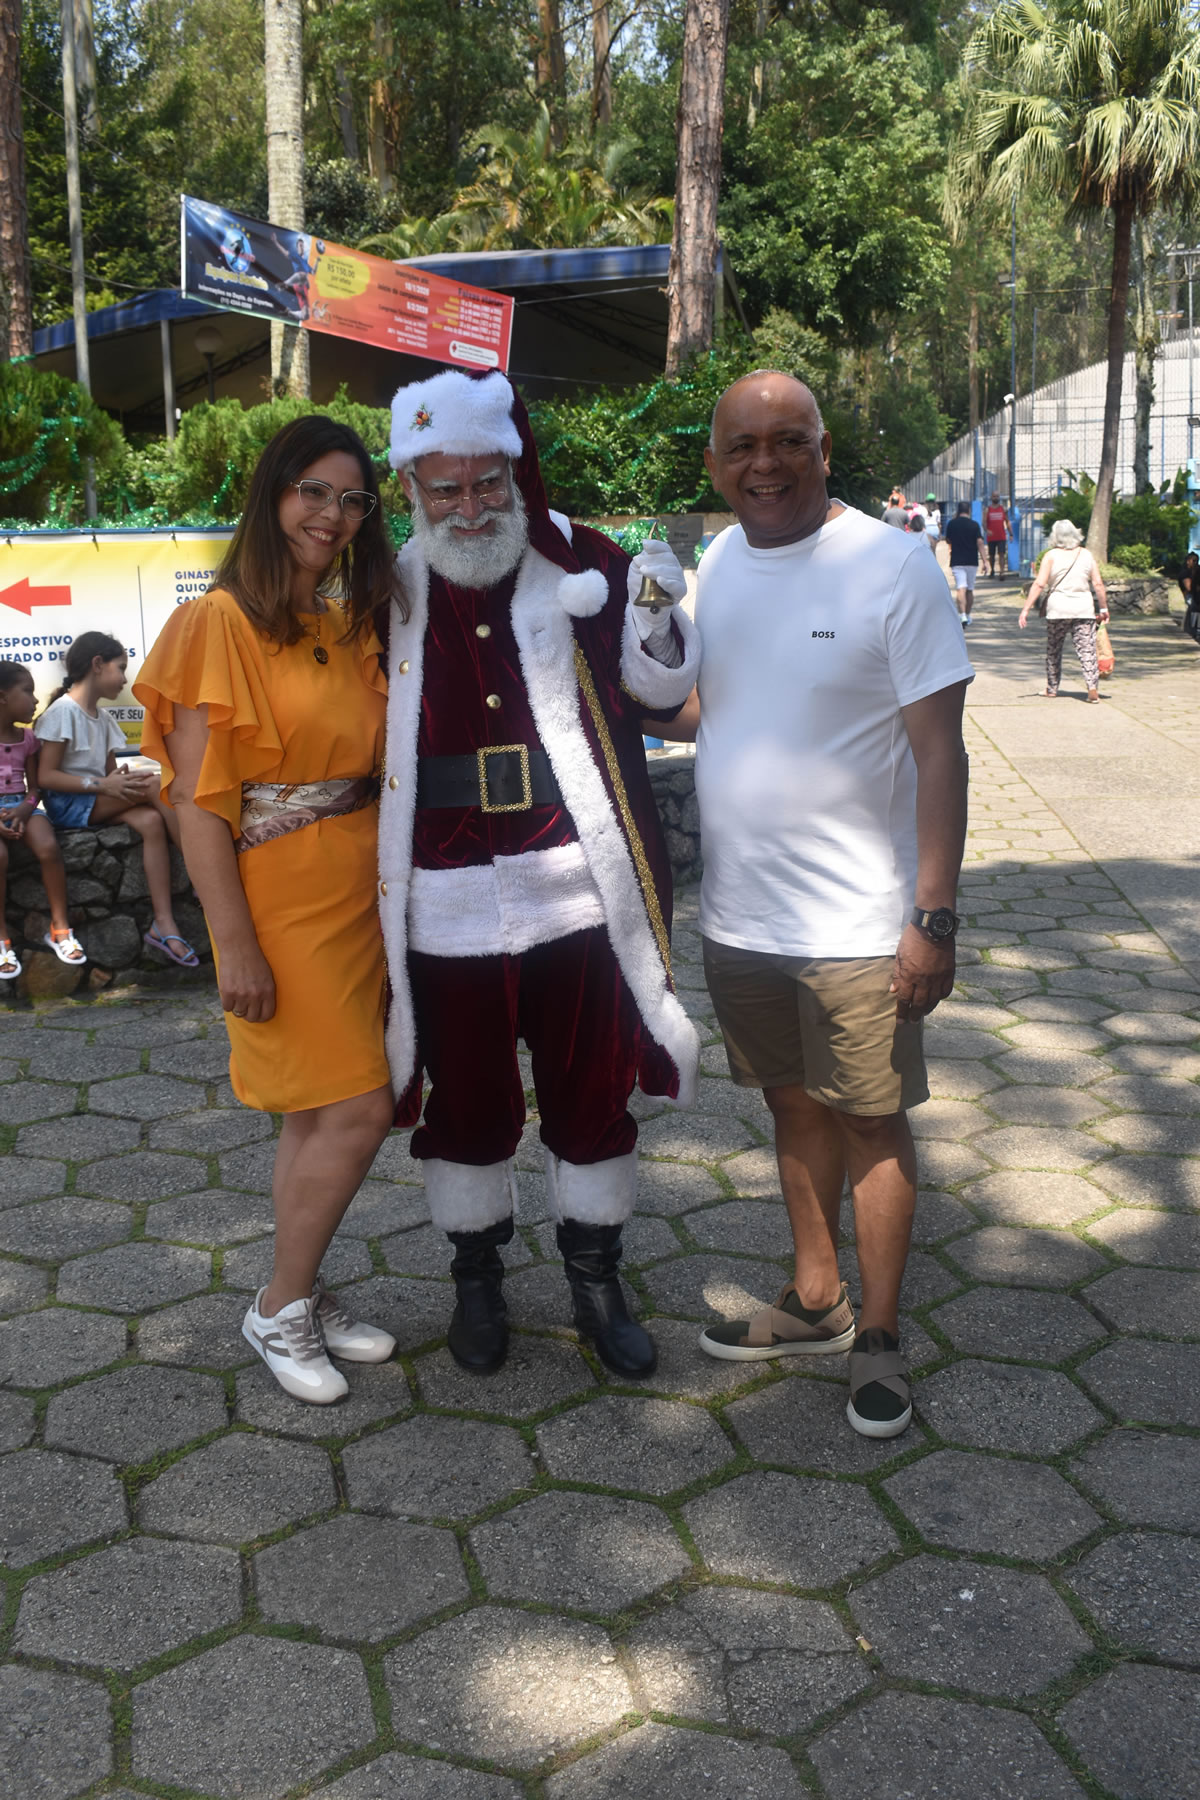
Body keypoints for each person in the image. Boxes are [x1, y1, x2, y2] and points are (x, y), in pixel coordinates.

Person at [378, 368, 700, 1380]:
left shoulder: (586, 561)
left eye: (487, 483)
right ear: (412, 490)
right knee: (468, 1105)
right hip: (444, 909)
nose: (470, 507)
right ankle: (476, 1281)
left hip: (576, 896)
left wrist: (657, 616)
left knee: (590, 1093)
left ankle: (596, 1280)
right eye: (446, 489)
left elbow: (655, 691)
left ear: (514, 472)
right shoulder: (384, 588)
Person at [688, 369, 972, 1440]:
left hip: (859, 923)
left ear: (823, 447)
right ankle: (817, 1300)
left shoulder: (893, 567)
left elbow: (940, 755)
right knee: (791, 1105)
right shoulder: (718, 562)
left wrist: (932, 917)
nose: (765, 464)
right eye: (742, 446)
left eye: (788, 441)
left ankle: (881, 1335)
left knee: (870, 1121)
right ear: (715, 463)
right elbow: (713, 706)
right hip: (741, 914)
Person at [134, 418, 400, 1403]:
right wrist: (232, 944)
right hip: (280, 900)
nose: (332, 515)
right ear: (272, 493)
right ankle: (279, 1308)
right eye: (312, 491)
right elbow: (197, 805)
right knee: (361, 1107)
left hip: (360, 892)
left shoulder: (346, 624)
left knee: (318, 1112)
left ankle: (301, 1286)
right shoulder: (215, 623)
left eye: (351, 499)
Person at [34, 633, 197, 968]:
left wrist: (117, 781)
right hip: (69, 805)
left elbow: (110, 775)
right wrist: (103, 784)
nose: (125, 678)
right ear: (97, 664)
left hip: (96, 799)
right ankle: (201, 873)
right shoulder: (63, 712)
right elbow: (45, 776)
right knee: (156, 785)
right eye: (120, 668)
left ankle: (163, 923)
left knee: (150, 820)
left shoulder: (104, 719)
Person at [0, 661, 81, 977]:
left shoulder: (28, 739)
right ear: (2, 697)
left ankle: (60, 928)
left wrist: (24, 809)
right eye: (28, 692)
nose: (35, 700)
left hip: (23, 806)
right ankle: (2, 938)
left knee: (48, 847)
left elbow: (35, 788)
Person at [1017, 518, 1109, 703]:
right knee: (1087, 650)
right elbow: (1098, 583)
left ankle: (1052, 688)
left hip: (1058, 610)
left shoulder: (1051, 556)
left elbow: (1039, 584)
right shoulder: (1086, 555)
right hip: (1083, 609)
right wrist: (1104, 607)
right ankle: (1092, 688)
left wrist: (1026, 609)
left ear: (1055, 536)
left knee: (1054, 650)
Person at [944, 501, 985, 626]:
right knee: (970, 589)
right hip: (972, 561)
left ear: (958, 510)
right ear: (969, 511)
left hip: (957, 561)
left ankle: (962, 615)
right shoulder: (974, 525)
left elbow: (948, 540)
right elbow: (980, 542)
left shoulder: (952, 524)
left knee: (960, 588)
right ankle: (967, 614)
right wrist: (985, 561)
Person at [984, 491, 1009, 576]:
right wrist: (987, 530)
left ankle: (1002, 572)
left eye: (997, 496)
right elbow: (984, 522)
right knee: (991, 555)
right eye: (994, 496)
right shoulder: (987, 509)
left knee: (1001, 554)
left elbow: (1007, 521)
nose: (996, 498)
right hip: (991, 537)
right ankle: (992, 570)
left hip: (1001, 536)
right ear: (991, 498)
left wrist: (1011, 533)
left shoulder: (1003, 509)